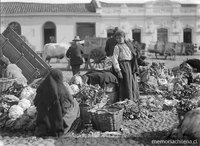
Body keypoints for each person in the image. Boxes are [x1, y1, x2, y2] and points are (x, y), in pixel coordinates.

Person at [34, 68, 80, 137]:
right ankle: (68, 126)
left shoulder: (41, 88)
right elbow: (66, 107)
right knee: (75, 105)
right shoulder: (62, 90)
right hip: (57, 124)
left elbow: (35, 102)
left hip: (43, 124)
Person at [111, 30, 140, 102]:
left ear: (124, 37)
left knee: (132, 82)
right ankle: (126, 99)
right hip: (123, 65)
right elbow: (114, 59)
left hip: (130, 65)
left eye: (120, 37)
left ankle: (133, 98)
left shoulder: (128, 45)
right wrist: (118, 71)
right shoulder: (117, 47)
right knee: (126, 82)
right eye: (117, 38)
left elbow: (133, 54)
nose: (119, 39)